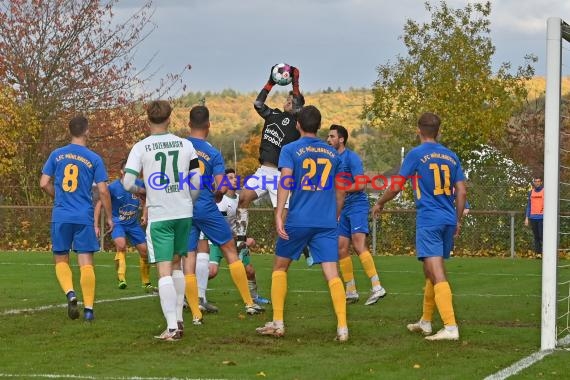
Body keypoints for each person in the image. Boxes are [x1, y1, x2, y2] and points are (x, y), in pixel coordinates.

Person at [256, 105, 349, 342]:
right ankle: (342, 327)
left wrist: (279, 213)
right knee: (332, 273)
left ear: (298, 124)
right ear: (319, 126)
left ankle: (278, 322)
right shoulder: (333, 154)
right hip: (326, 222)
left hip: (298, 219)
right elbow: (341, 191)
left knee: (279, 267)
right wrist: (335, 215)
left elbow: (285, 181)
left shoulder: (290, 149)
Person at [372, 112, 466, 341]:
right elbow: (461, 191)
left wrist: (380, 202)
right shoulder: (451, 156)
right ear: (439, 131)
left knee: (437, 272)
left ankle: (450, 326)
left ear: (418, 130)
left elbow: (396, 185)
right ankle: (425, 321)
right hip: (446, 219)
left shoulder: (416, 154)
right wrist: (458, 219)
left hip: (430, 220)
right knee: (429, 272)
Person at [123, 100, 201, 341]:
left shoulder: (141, 147)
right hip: (184, 211)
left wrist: (144, 189)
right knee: (177, 264)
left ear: (148, 119)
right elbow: (197, 182)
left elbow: (127, 183)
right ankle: (178, 318)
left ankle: (172, 328)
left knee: (164, 270)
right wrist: (189, 199)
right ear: (169, 118)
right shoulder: (186, 145)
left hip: (160, 213)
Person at [185, 105, 264, 321]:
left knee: (189, 257)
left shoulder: (180, 146)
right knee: (230, 249)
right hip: (205, 207)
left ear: (189, 124)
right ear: (208, 125)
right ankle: (249, 303)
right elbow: (221, 186)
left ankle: (194, 313)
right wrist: (217, 195)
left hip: (184, 209)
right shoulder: (212, 153)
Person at [40, 115, 114, 322]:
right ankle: (89, 309)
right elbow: (103, 191)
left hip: (61, 215)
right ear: (87, 131)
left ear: (70, 131)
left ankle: (71, 294)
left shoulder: (57, 154)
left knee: (61, 258)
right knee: (86, 262)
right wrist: (109, 217)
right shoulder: (94, 158)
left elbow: (43, 183)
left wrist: (59, 196)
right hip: (83, 216)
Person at [234, 65, 308, 260]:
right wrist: (270, 82)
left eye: (290, 100)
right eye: (287, 99)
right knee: (242, 199)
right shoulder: (273, 114)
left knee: (282, 223)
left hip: (281, 175)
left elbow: (299, 102)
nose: (287, 101)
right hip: (263, 171)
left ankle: (301, 245)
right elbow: (258, 104)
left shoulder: (297, 121)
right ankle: (241, 241)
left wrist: (295, 83)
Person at [326, 124, 387, 305]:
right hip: (342, 207)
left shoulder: (352, 158)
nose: (328, 140)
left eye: (331, 137)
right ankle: (351, 290)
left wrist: (342, 189)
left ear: (341, 139)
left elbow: (360, 184)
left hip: (356, 206)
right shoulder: (330, 159)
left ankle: (377, 287)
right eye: (328, 137)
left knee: (359, 245)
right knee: (341, 247)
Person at [204, 168, 270, 306]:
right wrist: (244, 239)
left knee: (250, 271)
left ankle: (254, 297)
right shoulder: (221, 202)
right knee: (212, 272)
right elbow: (220, 228)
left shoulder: (241, 199)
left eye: (235, 177)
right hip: (218, 241)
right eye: (230, 177)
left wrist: (242, 238)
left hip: (236, 241)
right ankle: (193, 293)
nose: (234, 180)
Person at [94, 160, 156, 292]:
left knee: (145, 252)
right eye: (128, 171)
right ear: (121, 172)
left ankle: (146, 282)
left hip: (133, 224)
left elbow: (147, 199)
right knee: (121, 245)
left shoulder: (139, 185)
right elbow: (99, 204)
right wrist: (96, 225)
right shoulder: (113, 187)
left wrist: (145, 214)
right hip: (118, 223)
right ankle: (121, 278)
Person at [525, 176, 544, 257]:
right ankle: (538, 254)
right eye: (535, 181)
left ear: (541, 182)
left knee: (542, 236)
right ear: (534, 182)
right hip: (533, 217)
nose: (537, 183)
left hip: (542, 217)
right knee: (536, 236)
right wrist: (527, 218)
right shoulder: (531, 192)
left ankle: (546, 252)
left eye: (538, 181)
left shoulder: (544, 191)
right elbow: (529, 205)